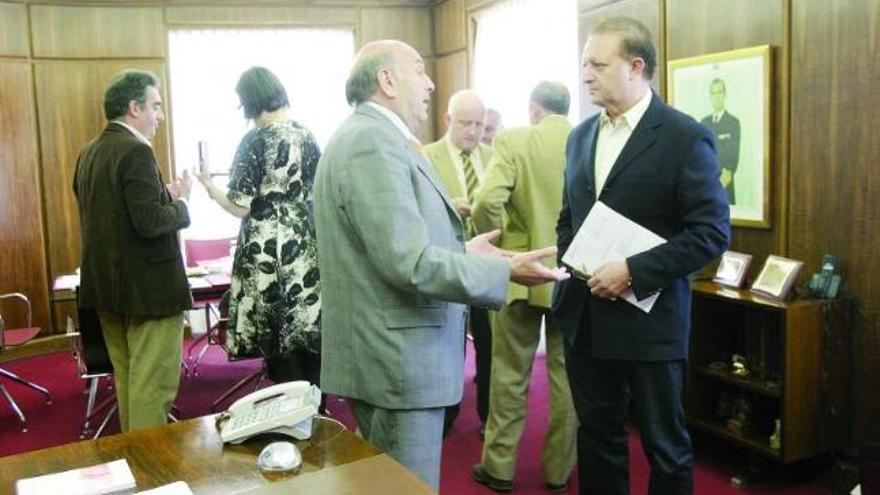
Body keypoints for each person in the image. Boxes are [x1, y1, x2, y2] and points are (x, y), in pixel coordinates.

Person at [313, 39, 568, 490]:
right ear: (386, 81)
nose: (430, 82)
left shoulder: (376, 138)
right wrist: (503, 272)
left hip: (393, 355)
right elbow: (407, 262)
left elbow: (398, 245)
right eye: (419, 69)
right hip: (397, 362)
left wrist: (469, 254)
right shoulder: (372, 142)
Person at [553, 18, 730, 495]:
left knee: (664, 447)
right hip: (586, 316)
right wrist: (575, 265)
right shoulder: (580, 136)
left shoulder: (683, 137)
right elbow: (568, 218)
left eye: (597, 64)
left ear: (636, 67)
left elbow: (711, 233)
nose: (585, 74)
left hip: (650, 323)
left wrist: (633, 271)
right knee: (597, 435)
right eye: (583, 64)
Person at [470, 81, 577, 493]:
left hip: (519, 276)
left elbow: (484, 202)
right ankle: (558, 471)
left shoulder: (514, 140)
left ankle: (498, 467)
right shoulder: (588, 140)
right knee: (567, 378)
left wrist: (497, 248)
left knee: (509, 374)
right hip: (572, 277)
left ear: (534, 109)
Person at [73, 69, 193, 432]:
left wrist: (164, 197)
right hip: (149, 292)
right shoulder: (137, 149)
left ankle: (134, 465)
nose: (159, 115)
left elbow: (116, 215)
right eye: (155, 106)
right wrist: (182, 204)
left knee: (129, 384)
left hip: (108, 290)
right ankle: (150, 477)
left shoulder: (89, 153)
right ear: (133, 107)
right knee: (151, 390)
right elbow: (150, 223)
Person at [196, 66, 322, 386]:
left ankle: (289, 415)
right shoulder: (306, 135)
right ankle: (316, 409)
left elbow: (240, 206)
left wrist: (210, 188)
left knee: (276, 336)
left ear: (249, 102)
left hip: (267, 248)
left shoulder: (254, 141)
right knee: (305, 329)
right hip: (304, 241)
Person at [423, 89, 494, 437]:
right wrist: (448, 205)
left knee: (490, 343)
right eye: (466, 123)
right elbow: (416, 210)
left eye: (480, 124)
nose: (473, 131)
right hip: (446, 263)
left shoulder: (495, 156)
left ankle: (488, 416)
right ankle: (446, 413)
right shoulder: (426, 156)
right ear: (448, 120)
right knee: (447, 344)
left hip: (485, 265)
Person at [700, 78, 741, 203]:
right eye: (713, 93)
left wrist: (718, 184)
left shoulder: (733, 122)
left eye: (719, 92)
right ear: (710, 97)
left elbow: (733, 157)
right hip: (705, 188)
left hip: (725, 189)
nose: (716, 97)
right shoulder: (704, 122)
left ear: (725, 95)